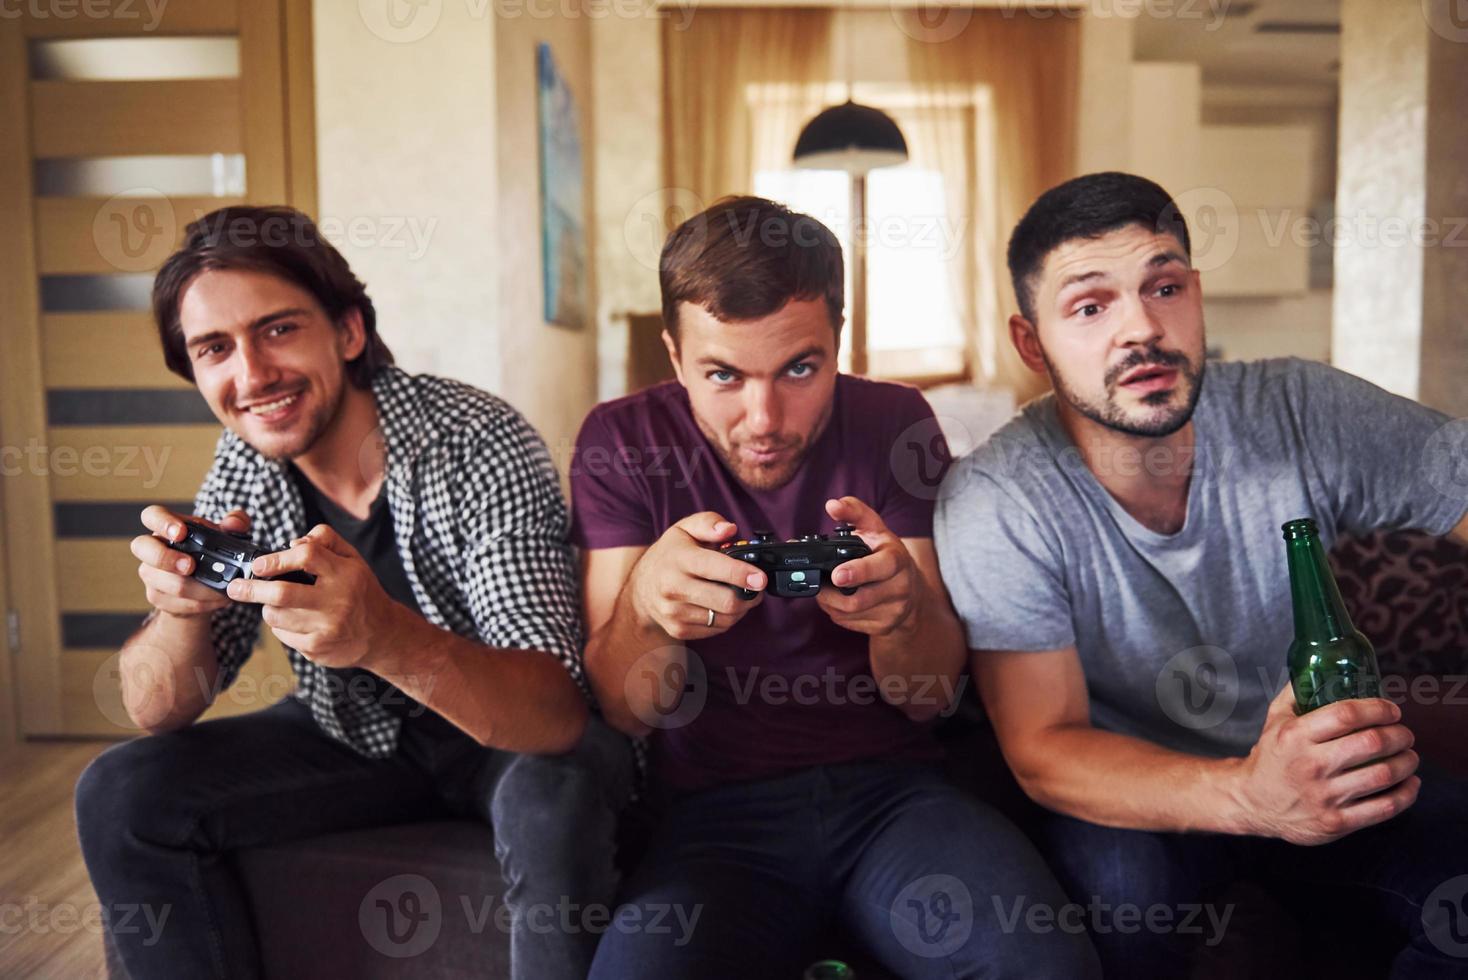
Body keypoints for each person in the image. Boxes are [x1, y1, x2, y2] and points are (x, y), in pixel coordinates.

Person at [74, 205, 634, 980]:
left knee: (554, 798)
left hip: (504, 739)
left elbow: (554, 710)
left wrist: (384, 637)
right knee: (120, 791)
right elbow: (156, 708)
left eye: (277, 330)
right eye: (215, 349)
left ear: (347, 332)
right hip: (354, 733)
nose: (252, 375)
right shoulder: (245, 463)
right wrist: (178, 615)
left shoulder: (477, 439)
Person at [935, 171, 1468, 976]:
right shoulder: (997, 499)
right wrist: (1253, 796)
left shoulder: (1299, 406)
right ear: (1031, 344)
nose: (1142, 329)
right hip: (1141, 794)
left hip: (1322, 762)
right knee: (1120, 908)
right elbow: (1044, 748)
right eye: (1091, 305)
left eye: (1165, 286)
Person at [574, 196, 1100, 978]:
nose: (765, 417)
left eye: (800, 368)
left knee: (1047, 968)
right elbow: (626, 708)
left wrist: (902, 615)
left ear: (838, 342)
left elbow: (927, 696)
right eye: (722, 374)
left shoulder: (895, 421)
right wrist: (648, 613)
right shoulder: (621, 441)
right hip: (715, 817)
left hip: (894, 797)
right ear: (675, 358)